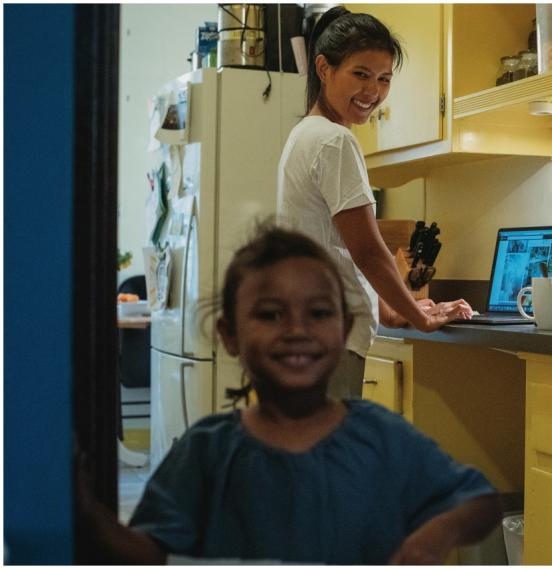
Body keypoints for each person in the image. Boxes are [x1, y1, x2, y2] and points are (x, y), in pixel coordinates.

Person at [79, 224, 502, 564]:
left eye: (318, 313)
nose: (297, 330)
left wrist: (434, 538)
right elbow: (148, 552)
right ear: (230, 335)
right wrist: (84, 511)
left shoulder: (382, 437)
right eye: (270, 314)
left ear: (343, 329)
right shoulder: (206, 452)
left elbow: (479, 500)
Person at [277, 6, 473, 400]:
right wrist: (418, 315)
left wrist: (390, 310)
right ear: (324, 68)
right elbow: (366, 251)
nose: (373, 92)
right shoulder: (335, 141)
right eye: (361, 75)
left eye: (384, 79)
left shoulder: (303, 135)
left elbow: (333, 250)